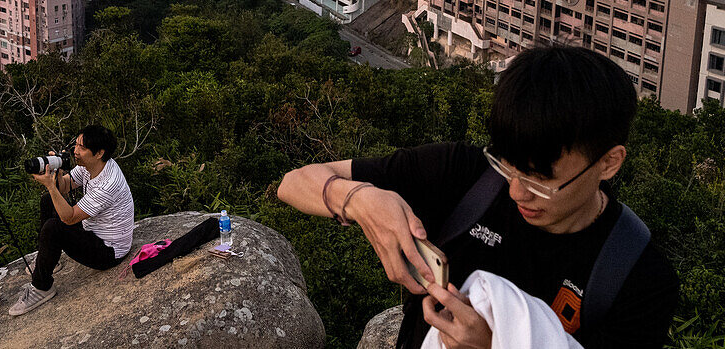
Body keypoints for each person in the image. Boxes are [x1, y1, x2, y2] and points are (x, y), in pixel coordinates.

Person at [277, 44, 678, 348]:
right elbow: (294, 183)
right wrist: (359, 200)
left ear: (608, 163)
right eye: (508, 165)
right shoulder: (466, 177)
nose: (517, 191)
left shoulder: (635, 277)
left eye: (540, 180)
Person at [9, 124, 135, 316]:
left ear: (99, 153)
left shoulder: (108, 184)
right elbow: (66, 186)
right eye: (76, 144)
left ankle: (42, 288)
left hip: (108, 250)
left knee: (54, 227)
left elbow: (68, 218)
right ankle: (48, 257)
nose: (75, 151)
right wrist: (57, 171)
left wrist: (51, 187)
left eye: (82, 148)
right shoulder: (91, 165)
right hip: (91, 231)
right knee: (47, 201)